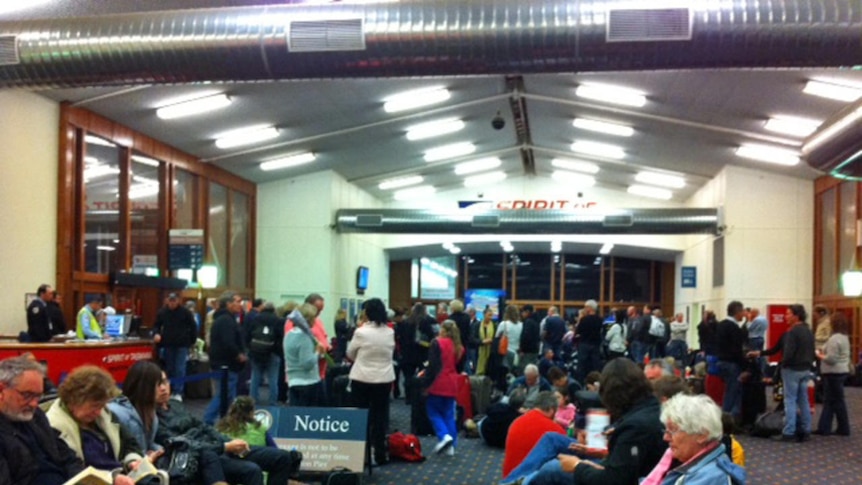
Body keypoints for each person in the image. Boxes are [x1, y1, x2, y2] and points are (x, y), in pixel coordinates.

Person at [502, 358, 666, 485]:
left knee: (551, 468)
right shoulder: (646, 409)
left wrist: (577, 466)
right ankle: (511, 482)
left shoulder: (637, 425)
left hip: (615, 475)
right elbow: (631, 456)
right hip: (615, 463)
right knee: (551, 439)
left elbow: (616, 478)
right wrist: (602, 449)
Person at [155, 371, 302, 485]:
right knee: (252, 470)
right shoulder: (154, 419)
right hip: (203, 457)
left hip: (219, 446)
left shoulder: (176, 404)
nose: (163, 388)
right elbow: (183, 446)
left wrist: (229, 441)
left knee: (282, 457)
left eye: (165, 382)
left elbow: (205, 427)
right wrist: (224, 446)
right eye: (158, 384)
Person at [0, 356, 98, 485]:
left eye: (38, 396)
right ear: (1, 390)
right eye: (27, 395)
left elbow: (66, 456)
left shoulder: (35, 416)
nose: (34, 404)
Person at [45, 366, 142, 485]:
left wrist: (132, 460)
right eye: (94, 406)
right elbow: (71, 469)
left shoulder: (105, 415)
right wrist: (112, 478)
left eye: (101, 406)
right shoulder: (54, 427)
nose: (98, 412)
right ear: (75, 399)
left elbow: (129, 443)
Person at [638, 394, 746, 485]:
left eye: (673, 430)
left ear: (702, 435)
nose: (665, 437)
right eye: (666, 430)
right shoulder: (677, 460)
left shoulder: (710, 477)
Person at [749, 304, 815, 442]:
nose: (786, 316)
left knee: (789, 400)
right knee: (803, 400)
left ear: (796, 316)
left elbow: (787, 352)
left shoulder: (792, 332)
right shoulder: (808, 331)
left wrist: (783, 365)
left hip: (791, 369)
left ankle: (789, 431)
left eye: (789, 314)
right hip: (805, 369)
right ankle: (806, 429)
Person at [346, 298, 395, 466]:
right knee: (380, 418)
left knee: (361, 417)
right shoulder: (389, 332)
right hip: (384, 379)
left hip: (362, 378)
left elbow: (350, 354)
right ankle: (380, 454)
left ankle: (362, 454)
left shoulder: (361, 332)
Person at [422, 319, 465, 456]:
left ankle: (444, 435)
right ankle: (451, 446)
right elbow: (458, 367)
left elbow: (433, 367)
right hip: (452, 382)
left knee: (433, 411)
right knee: (448, 414)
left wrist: (425, 384)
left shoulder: (437, 343)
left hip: (438, 381)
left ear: (444, 330)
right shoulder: (459, 347)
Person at [204, 291, 248, 425]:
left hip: (224, 363)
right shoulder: (226, 321)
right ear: (228, 304)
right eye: (237, 301)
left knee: (228, 396)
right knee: (223, 394)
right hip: (226, 364)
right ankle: (208, 420)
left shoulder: (222, 319)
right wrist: (238, 354)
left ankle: (228, 423)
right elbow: (228, 342)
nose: (240, 305)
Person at [502, 391, 565, 478]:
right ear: (551, 410)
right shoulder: (555, 430)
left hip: (509, 476)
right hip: (530, 479)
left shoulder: (517, 421)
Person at [153, 292, 198, 401]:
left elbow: (193, 327)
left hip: (182, 345)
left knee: (180, 368)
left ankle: (178, 391)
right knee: (170, 368)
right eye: (170, 300)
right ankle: (171, 389)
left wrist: (191, 341)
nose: (172, 303)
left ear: (178, 301)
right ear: (167, 300)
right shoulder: (162, 312)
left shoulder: (185, 312)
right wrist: (156, 333)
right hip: (168, 344)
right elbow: (156, 325)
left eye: (174, 300)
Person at [814, 311, 851, 436]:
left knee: (833, 401)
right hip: (841, 371)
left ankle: (834, 428)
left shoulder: (834, 339)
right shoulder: (844, 337)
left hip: (833, 372)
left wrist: (819, 355)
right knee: (834, 400)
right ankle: (829, 427)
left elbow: (831, 359)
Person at [244, 301, 284, 406]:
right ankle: (272, 402)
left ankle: (253, 401)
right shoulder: (277, 320)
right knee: (273, 379)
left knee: (255, 377)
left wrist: (250, 348)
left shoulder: (256, 318)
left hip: (256, 352)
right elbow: (280, 337)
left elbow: (248, 334)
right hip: (272, 353)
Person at [284, 303, 324, 406]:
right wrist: (318, 352)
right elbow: (307, 364)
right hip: (308, 383)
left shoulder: (289, 335)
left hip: (293, 381)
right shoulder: (304, 337)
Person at [715, 301, 747, 419]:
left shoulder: (721, 325)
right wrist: (745, 366)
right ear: (737, 312)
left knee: (732, 391)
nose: (744, 314)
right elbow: (736, 350)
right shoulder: (734, 328)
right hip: (732, 363)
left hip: (721, 361)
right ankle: (726, 419)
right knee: (732, 393)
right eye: (742, 311)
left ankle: (732, 418)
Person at [576, 300, 604, 382]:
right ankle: (597, 382)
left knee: (582, 366)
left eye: (585, 307)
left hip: (584, 344)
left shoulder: (584, 319)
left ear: (589, 308)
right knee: (596, 365)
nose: (584, 309)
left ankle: (581, 383)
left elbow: (578, 331)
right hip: (595, 345)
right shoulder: (600, 319)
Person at [497, 304, 523, 375]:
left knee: (505, 373)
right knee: (515, 373)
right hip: (517, 352)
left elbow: (497, 336)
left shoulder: (504, 324)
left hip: (506, 351)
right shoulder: (521, 325)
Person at [449, 299, 473, 373]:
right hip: (464, 344)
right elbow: (469, 331)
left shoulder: (451, 318)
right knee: (462, 365)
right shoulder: (467, 317)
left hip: (453, 344)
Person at [519, 305, 541, 375]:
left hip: (527, 351)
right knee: (532, 370)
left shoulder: (528, 322)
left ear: (527, 312)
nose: (522, 314)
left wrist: (522, 349)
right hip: (535, 350)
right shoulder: (536, 321)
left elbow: (525, 337)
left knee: (525, 370)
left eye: (523, 312)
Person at [476, 309, 496, 376]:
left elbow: (496, 338)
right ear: (484, 315)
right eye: (489, 315)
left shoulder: (494, 325)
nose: (490, 317)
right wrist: (482, 341)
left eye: (491, 315)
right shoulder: (477, 325)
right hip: (479, 350)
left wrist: (491, 340)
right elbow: (472, 339)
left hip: (491, 351)